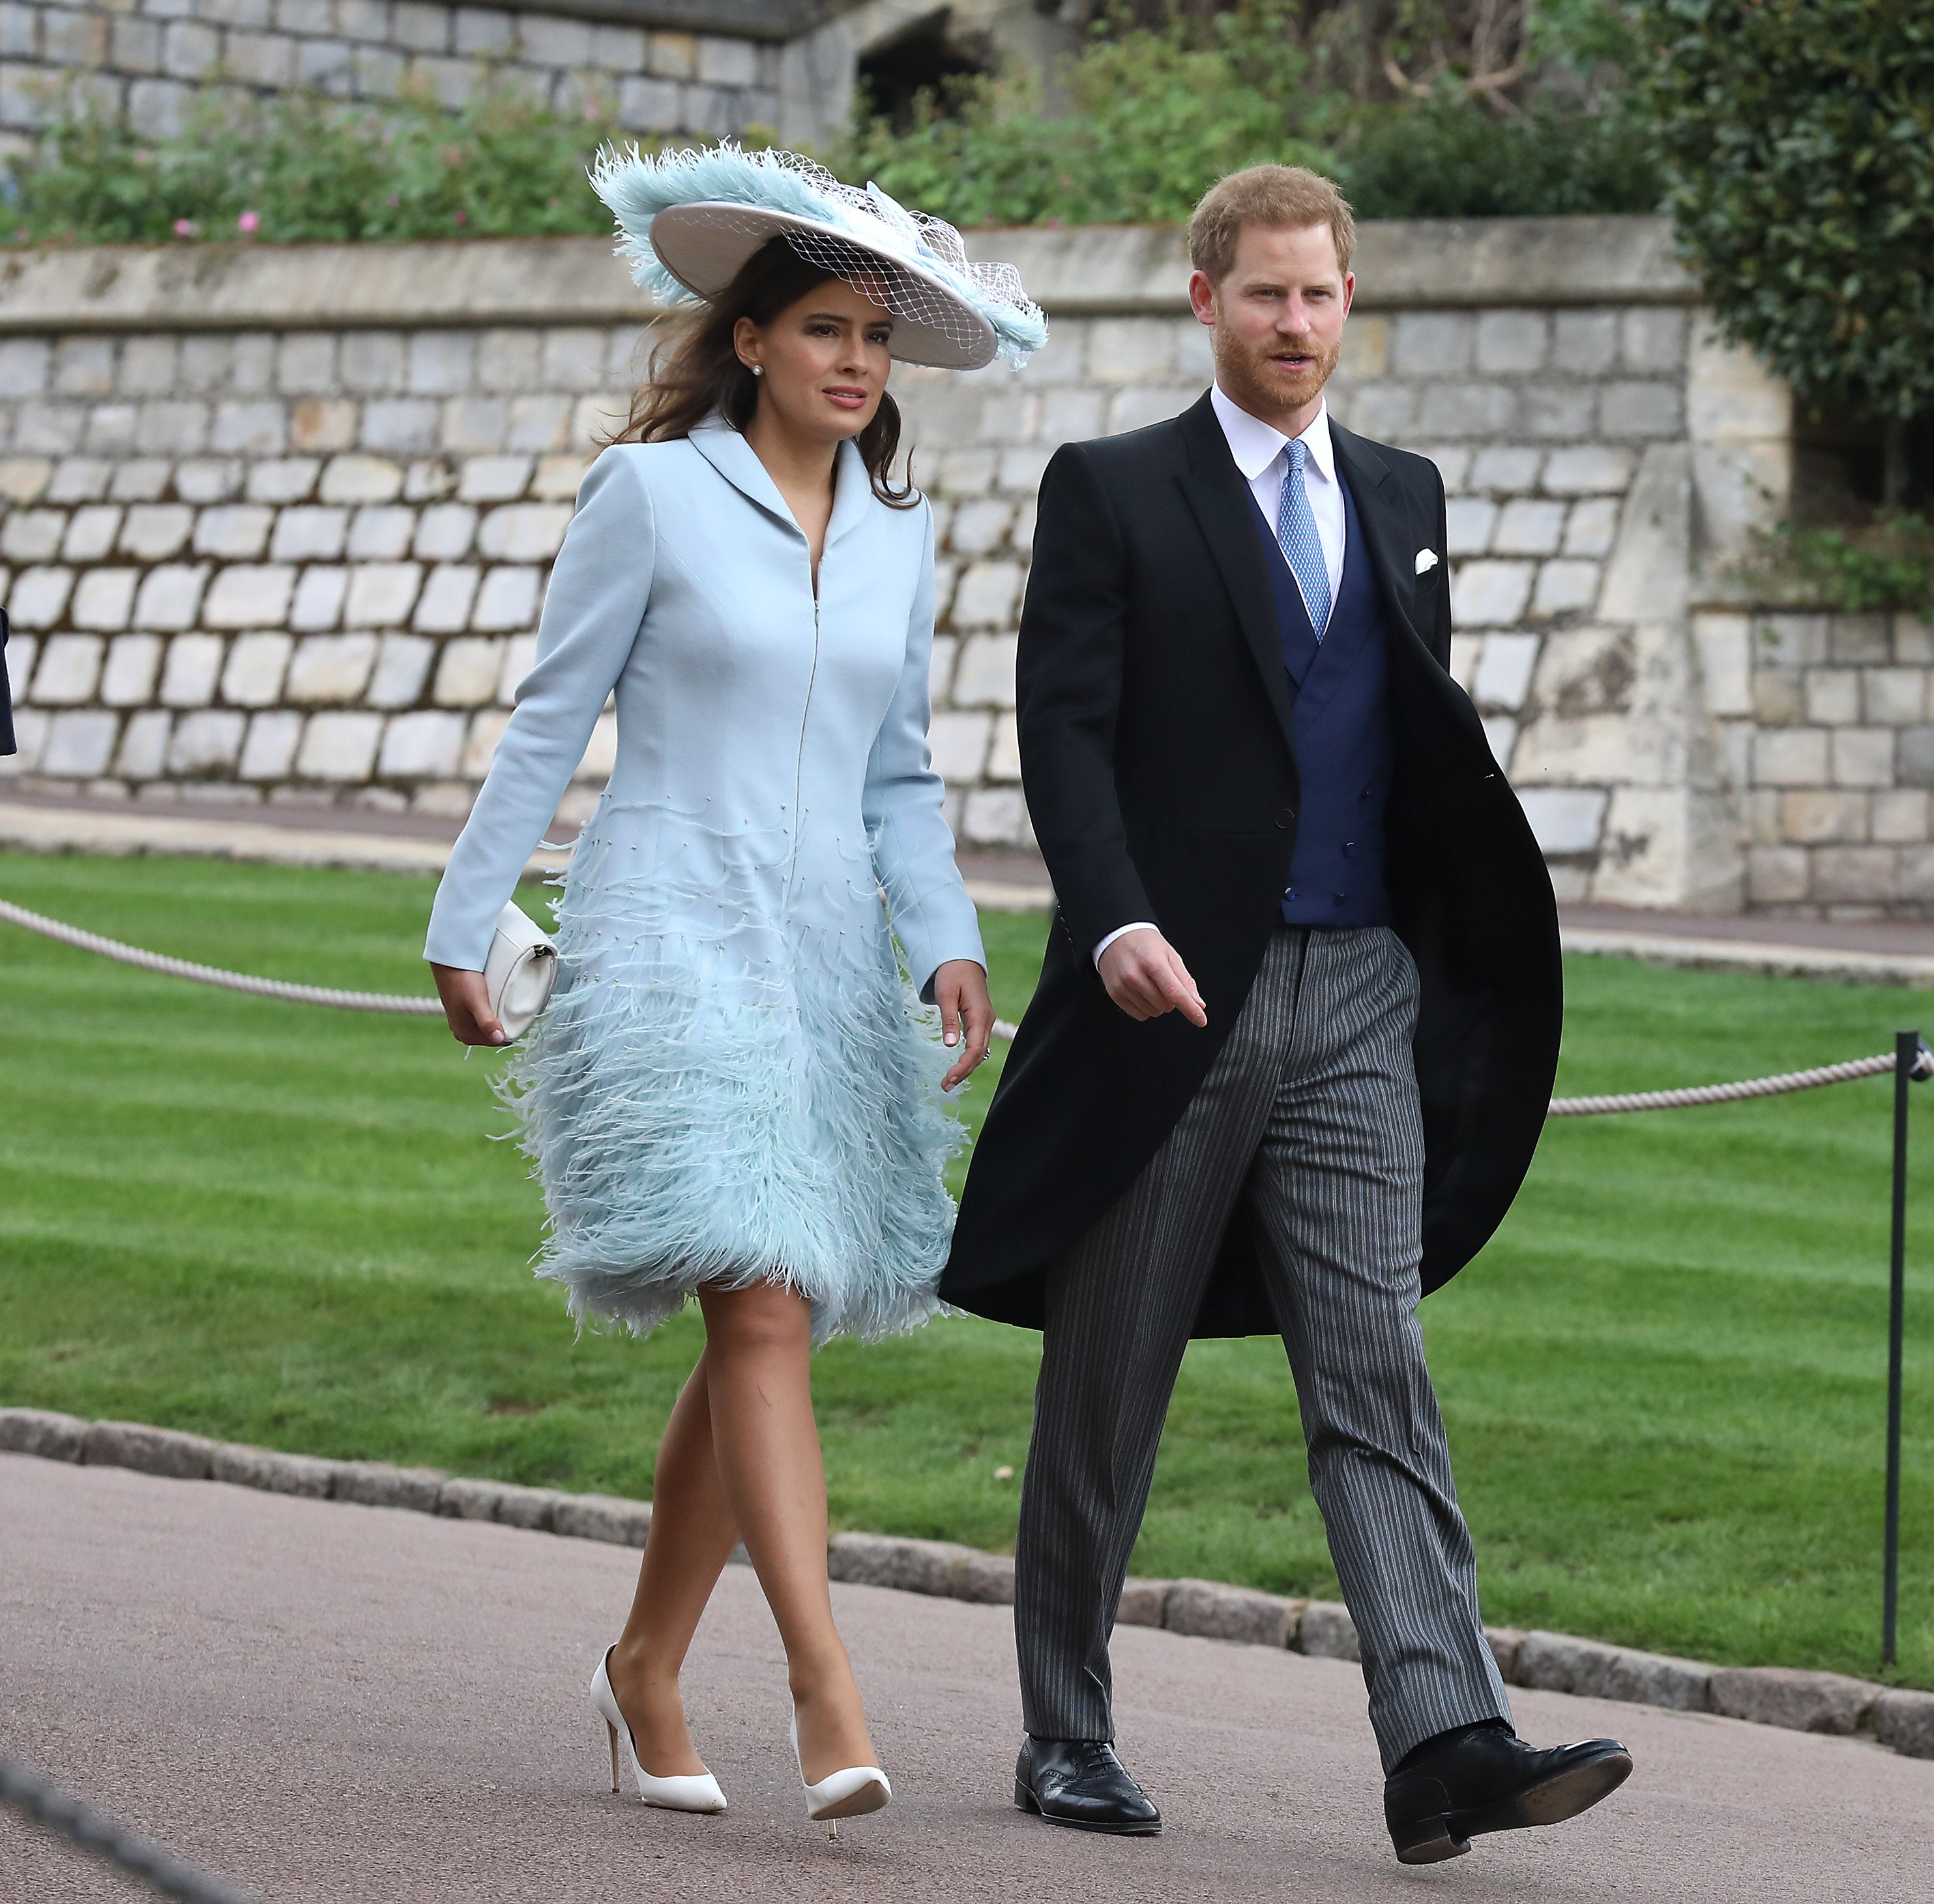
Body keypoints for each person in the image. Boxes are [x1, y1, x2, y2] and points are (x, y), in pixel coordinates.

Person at [943, 164, 1632, 1866]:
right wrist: (1107, 919)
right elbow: (1067, 731)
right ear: (1205, 300)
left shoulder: (1404, 493)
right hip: (1164, 1000)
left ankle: (1442, 1736)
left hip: (1356, 1003)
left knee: (1375, 1363)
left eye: (1321, 296)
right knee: (1113, 1376)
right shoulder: (1114, 491)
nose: (1297, 326)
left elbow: (1398, 746)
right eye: (1265, 295)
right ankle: (1067, 1726)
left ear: (1349, 300)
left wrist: (1439, 959)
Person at [423, 145, 1042, 1832]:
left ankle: (641, 1666)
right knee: (761, 1298)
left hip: (832, 952)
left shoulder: (905, 535)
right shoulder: (655, 496)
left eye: (877, 341)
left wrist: (949, 935)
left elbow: (902, 775)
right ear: (751, 336)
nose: (856, 361)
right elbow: (552, 721)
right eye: (827, 329)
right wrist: (463, 920)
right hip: (667, 926)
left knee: (763, 1309)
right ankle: (823, 1685)